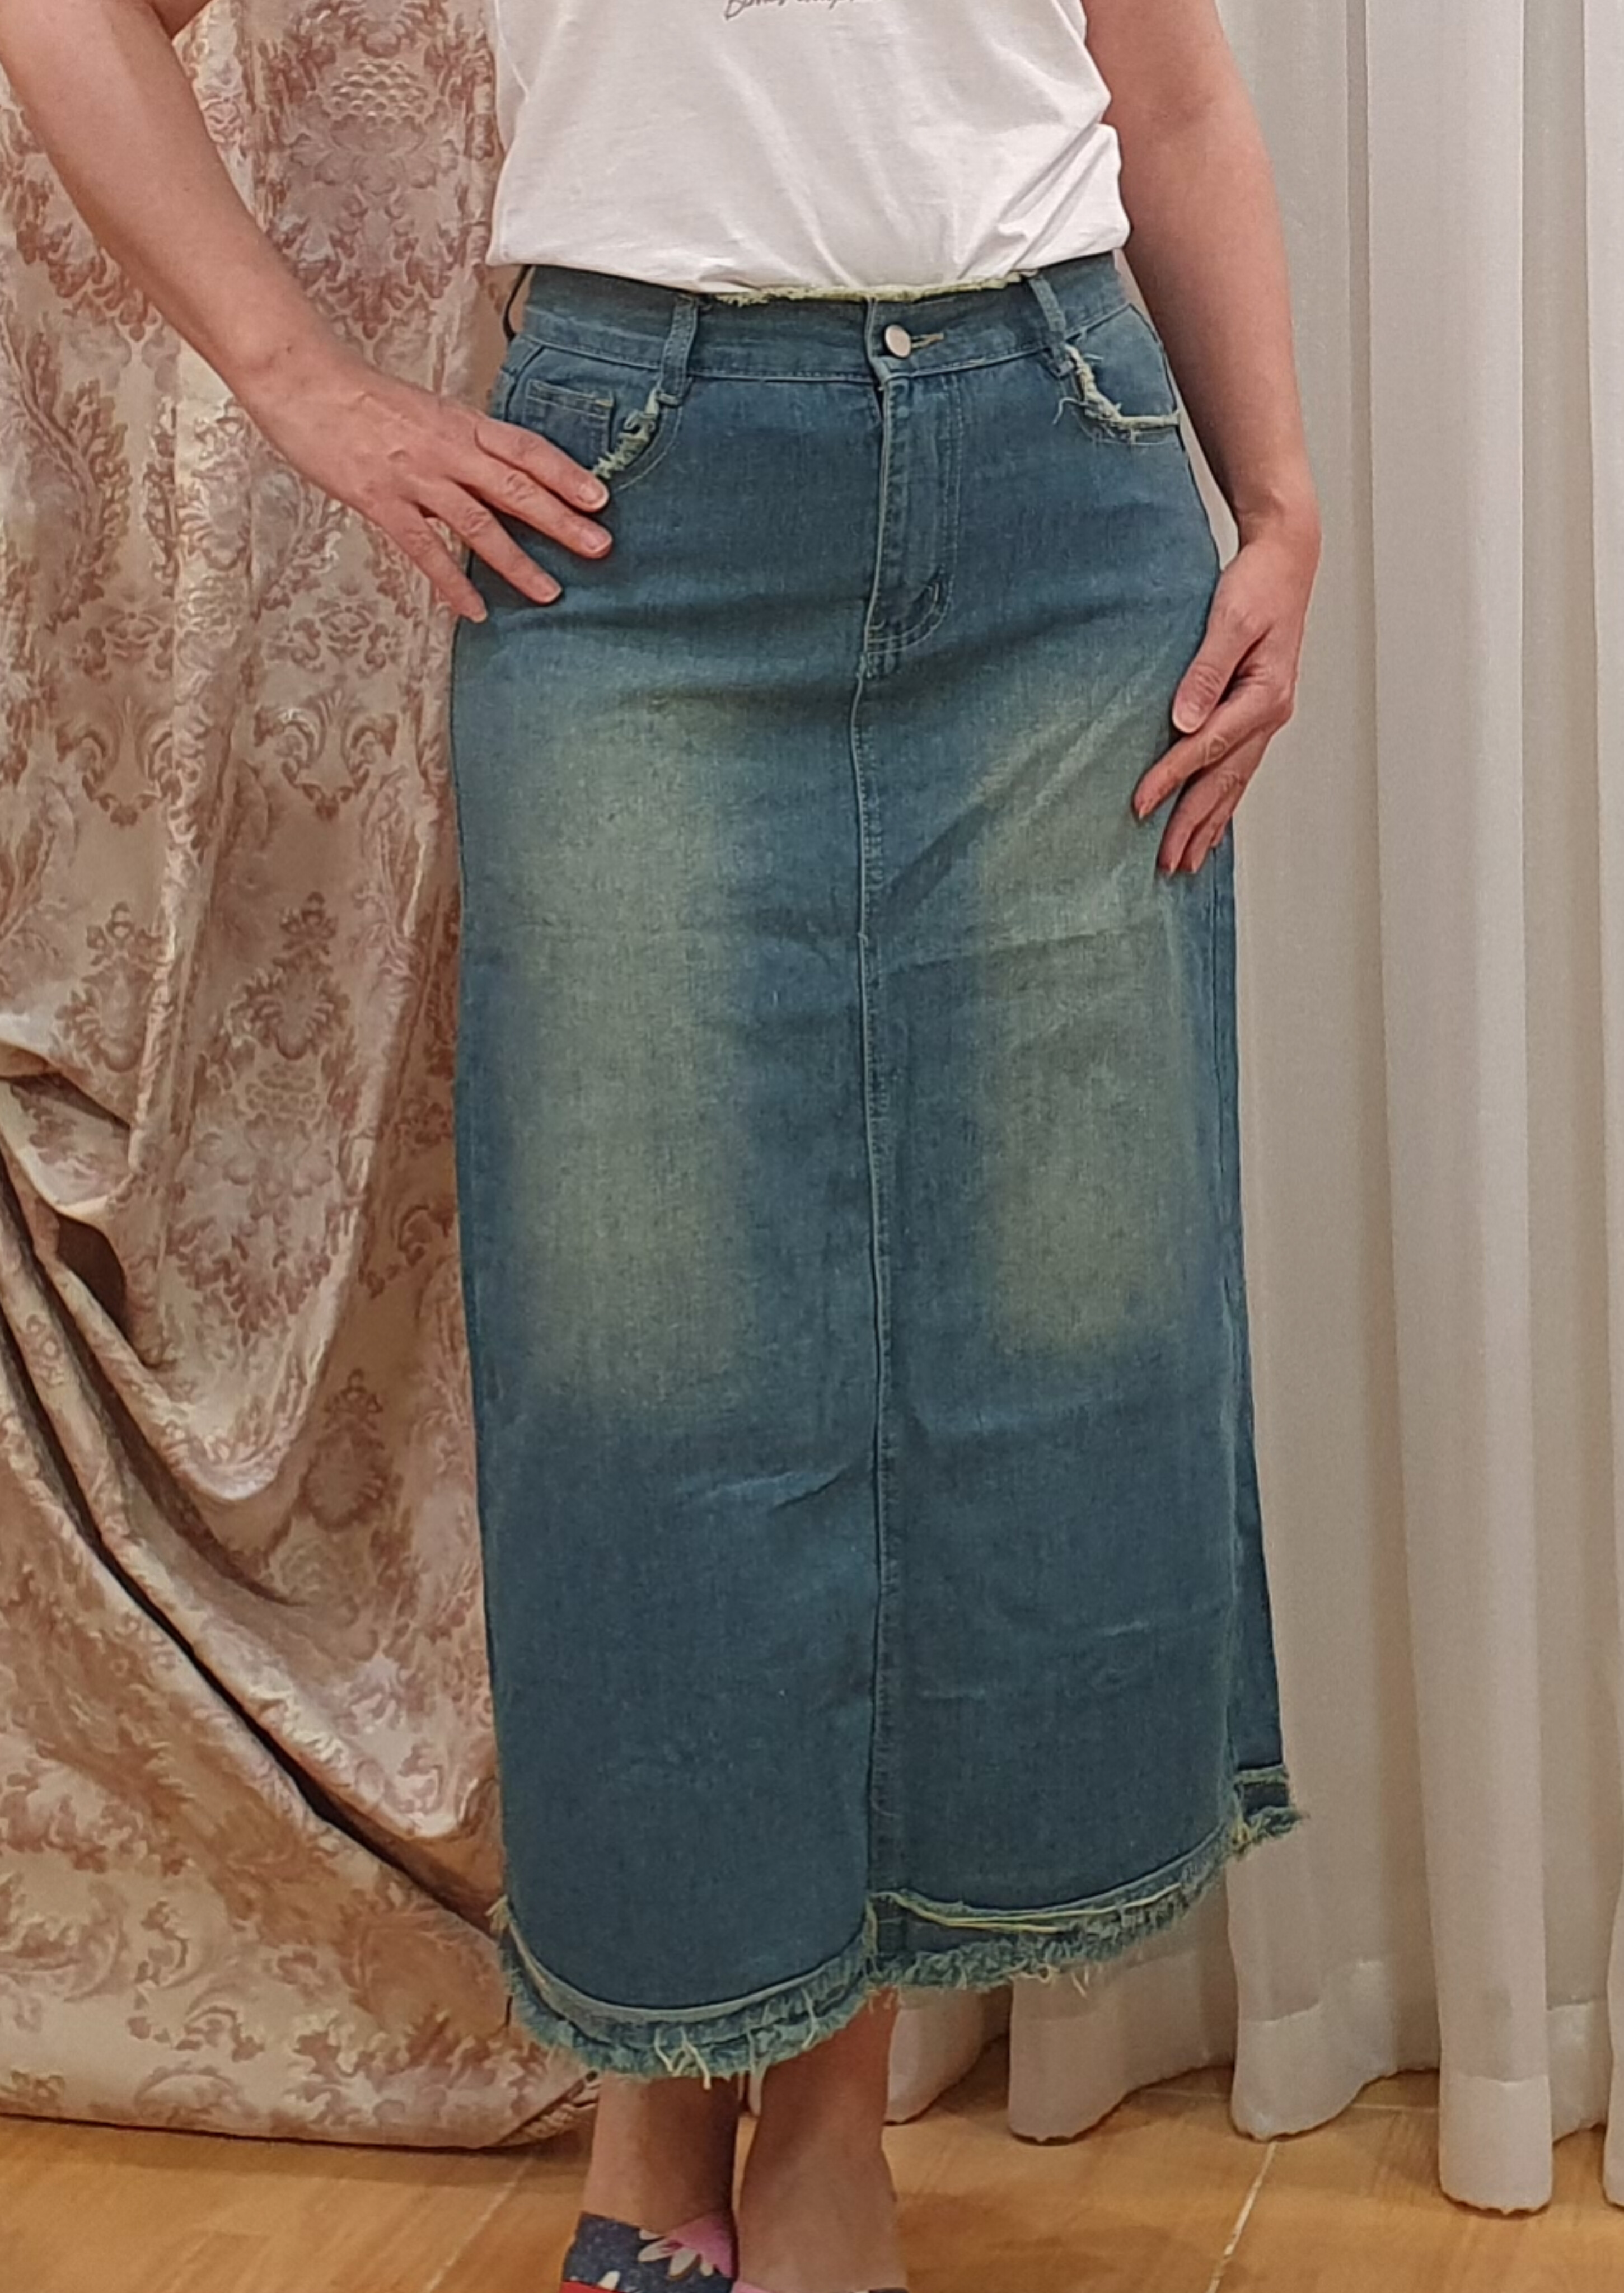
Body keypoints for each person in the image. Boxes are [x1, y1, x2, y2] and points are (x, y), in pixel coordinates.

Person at [0, 3, 1321, 2289]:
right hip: (640, 498)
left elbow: (1171, 91)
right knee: (647, 1363)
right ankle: (658, 2074)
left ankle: (821, 2127)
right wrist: (304, 383)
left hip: (1058, 467)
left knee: (1004, 1339)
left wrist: (1283, 501)